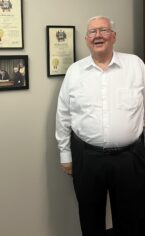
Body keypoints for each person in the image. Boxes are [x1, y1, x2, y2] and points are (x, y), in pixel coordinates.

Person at [55, 16, 145, 236]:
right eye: (92, 32)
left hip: (130, 158)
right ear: (86, 39)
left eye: (103, 30)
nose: (97, 36)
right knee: (90, 218)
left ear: (113, 36)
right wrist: (65, 154)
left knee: (132, 219)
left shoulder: (135, 65)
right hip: (87, 158)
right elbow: (63, 113)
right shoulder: (75, 72)